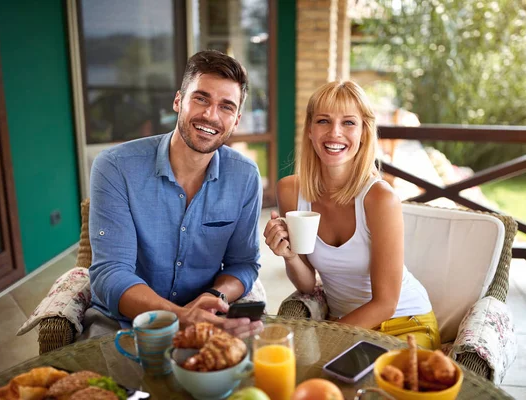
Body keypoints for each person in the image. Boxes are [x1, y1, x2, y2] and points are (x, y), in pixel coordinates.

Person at [86, 50, 263, 339]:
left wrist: (213, 297)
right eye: (201, 98)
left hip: (207, 318)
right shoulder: (115, 167)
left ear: (237, 119)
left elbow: (243, 263)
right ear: (178, 100)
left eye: (226, 106)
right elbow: (111, 273)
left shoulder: (245, 176)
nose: (210, 115)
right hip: (124, 323)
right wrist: (181, 317)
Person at [263, 81, 440, 349]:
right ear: (310, 130)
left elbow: (385, 303)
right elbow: (308, 284)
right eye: (323, 121)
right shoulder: (291, 191)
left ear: (364, 133)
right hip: (346, 325)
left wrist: (324, 337)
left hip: (404, 324)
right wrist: (289, 256)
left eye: (348, 123)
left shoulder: (380, 200)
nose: (335, 133)